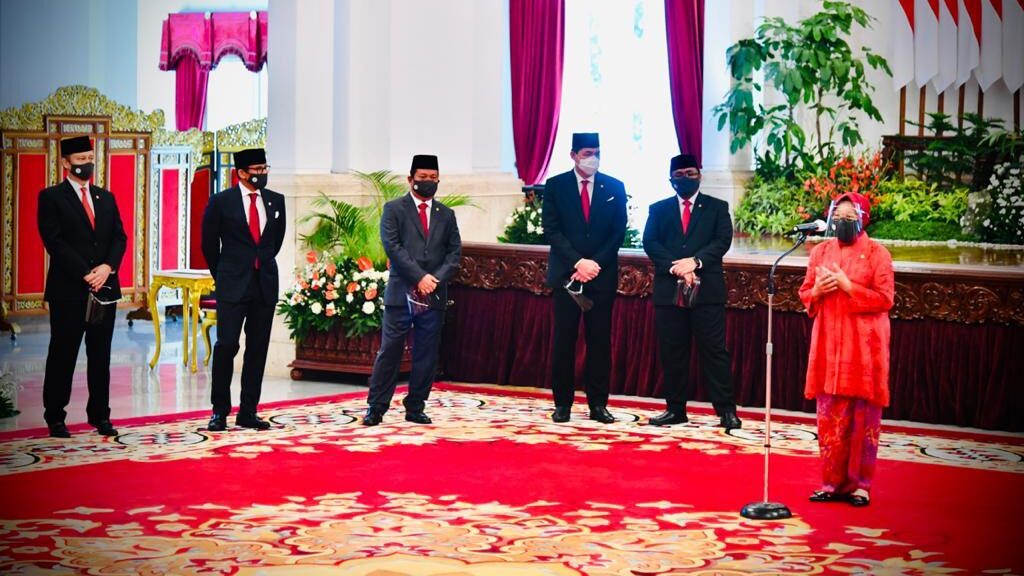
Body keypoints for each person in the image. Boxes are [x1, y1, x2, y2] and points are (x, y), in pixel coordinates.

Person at [799, 192, 894, 508]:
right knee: (830, 416)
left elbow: (885, 299)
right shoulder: (821, 252)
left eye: (849, 217)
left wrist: (848, 286)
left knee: (862, 418)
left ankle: (860, 486)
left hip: (864, 347)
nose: (842, 222)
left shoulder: (878, 254)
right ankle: (831, 483)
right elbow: (805, 292)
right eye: (837, 217)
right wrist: (817, 290)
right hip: (828, 343)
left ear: (863, 219)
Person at [642, 154, 742, 430]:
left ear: (700, 175)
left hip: (707, 292)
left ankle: (726, 411)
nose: (685, 178)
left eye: (690, 173)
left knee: (714, 351)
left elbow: (722, 241)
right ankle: (675, 409)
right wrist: (676, 267)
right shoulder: (658, 209)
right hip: (669, 291)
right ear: (670, 179)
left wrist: (695, 262)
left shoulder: (717, 207)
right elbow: (650, 242)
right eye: (679, 174)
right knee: (672, 351)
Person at [37, 136, 128, 438]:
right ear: (65, 163)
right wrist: (86, 273)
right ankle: (55, 416)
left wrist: (107, 268)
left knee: (100, 355)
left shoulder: (106, 198)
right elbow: (54, 242)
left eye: (90, 158)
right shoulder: (51, 197)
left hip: (104, 289)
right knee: (63, 353)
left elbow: (119, 238)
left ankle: (100, 415)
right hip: (69, 290)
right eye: (80, 160)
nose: (86, 164)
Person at [363, 154, 463, 426]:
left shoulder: (447, 214)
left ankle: (416, 406)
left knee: (426, 353)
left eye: (433, 178)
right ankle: (376, 407)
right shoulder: (394, 209)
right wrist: (419, 277)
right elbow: (393, 247)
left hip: (434, 294)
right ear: (410, 179)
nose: (428, 182)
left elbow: (454, 253)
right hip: (401, 293)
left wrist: (434, 280)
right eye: (423, 177)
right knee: (390, 350)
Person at [542, 132, 628, 423]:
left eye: (596, 152)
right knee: (564, 341)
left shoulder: (614, 186)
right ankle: (562, 404)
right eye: (587, 153)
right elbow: (552, 230)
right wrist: (578, 262)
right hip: (567, 275)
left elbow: (618, 231)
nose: (593, 158)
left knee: (599, 341)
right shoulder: (556, 186)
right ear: (573, 155)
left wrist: (594, 264)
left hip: (600, 276)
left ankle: (598, 405)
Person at [201, 148, 286, 432]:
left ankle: (248, 411)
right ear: (241, 173)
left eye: (265, 168)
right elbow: (209, 244)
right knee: (227, 346)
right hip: (232, 285)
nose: (262, 174)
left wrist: (261, 263)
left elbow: (275, 242)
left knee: (257, 349)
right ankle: (219, 411)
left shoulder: (276, 201)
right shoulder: (221, 202)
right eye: (257, 170)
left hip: (264, 285)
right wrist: (223, 274)